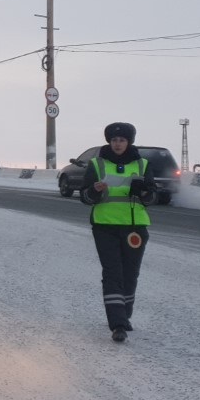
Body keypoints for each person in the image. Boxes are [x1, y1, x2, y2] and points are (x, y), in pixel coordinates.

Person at [81, 122, 157, 343]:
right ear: (109, 141)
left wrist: (143, 191)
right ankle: (118, 324)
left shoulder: (143, 164)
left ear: (129, 142)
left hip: (135, 226)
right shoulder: (97, 163)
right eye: (114, 140)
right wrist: (94, 191)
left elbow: (153, 198)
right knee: (112, 273)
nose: (117, 144)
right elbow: (84, 198)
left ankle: (125, 314)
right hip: (105, 226)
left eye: (122, 140)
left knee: (130, 274)